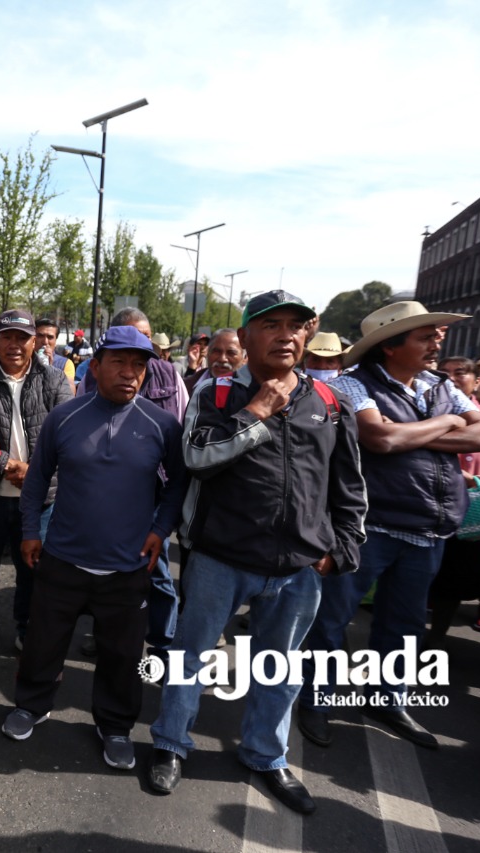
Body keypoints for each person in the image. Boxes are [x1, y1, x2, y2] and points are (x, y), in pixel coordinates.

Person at [148, 290, 367, 815]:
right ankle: (170, 745)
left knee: (281, 668)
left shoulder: (329, 402)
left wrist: (342, 549)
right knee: (190, 657)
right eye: (271, 325)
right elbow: (196, 457)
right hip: (220, 560)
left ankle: (266, 755)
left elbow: (350, 485)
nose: (285, 334)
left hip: (299, 569)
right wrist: (256, 413)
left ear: (308, 335)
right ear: (245, 338)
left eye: (296, 325)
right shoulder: (217, 395)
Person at [298, 302, 480, 750]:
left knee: (404, 625)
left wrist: (416, 428)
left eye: (435, 335)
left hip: (429, 529)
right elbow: (380, 439)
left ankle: (388, 698)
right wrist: (445, 423)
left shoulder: (440, 385)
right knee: (331, 621)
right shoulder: (353, 383)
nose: (437, 343)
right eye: (425, 336)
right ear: (389, 346)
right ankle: (315, 697)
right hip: (370, 527)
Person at [5, 327, 186, 772]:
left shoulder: (161, 425)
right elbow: (36, 478)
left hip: (127, 568)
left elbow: (180, 486)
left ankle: (116, 726)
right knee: (44, 643)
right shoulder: (65, 417)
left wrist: (161, 530)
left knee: (123, 656)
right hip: (62, 558)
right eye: (120, 363)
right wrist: (31, 530)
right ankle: (32, 704)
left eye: (139, 366)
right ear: (97, 364)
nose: (130, 374)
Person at [0, 308, 71, 656]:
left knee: (33, 572)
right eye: (7, 337)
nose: (14, 345)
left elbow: (65, 436)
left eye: (22, 338)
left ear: (34, 341)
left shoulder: (53, 380)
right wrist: (8, 465)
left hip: (39, 499)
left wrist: (33, 472)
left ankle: (28, 628)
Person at [78, 307, 189, 662]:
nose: (136, 347)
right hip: (108, 496)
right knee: (105, 570)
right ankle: (104, 632)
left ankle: (162, 641)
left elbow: (183, 426)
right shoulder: (93, 379)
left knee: (155, 571)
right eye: (126, 338)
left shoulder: (170, 375)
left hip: (154, 494)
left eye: (144, 337)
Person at [426, 356, 480, 641]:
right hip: (421, 510)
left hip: (470, 513)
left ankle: (436, 639)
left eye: (460, 373)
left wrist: (478, 480)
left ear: (477, 381)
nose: (451, 378)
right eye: (443, 373)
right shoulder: (422, 413)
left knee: (452, 583)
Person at [184, 329, 245, 397]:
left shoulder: (253, 392)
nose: (222, 359)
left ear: (244, 358)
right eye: (216, 351)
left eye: (231, 353)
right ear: (208, 353)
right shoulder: (186, 387)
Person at [35, 317, 76, 389]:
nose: (45, 342)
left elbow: (69, 394)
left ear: (55, 340)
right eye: (40, 336)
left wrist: (50, 370)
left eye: (50, 337)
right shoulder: (23, 360)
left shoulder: (65, 364)